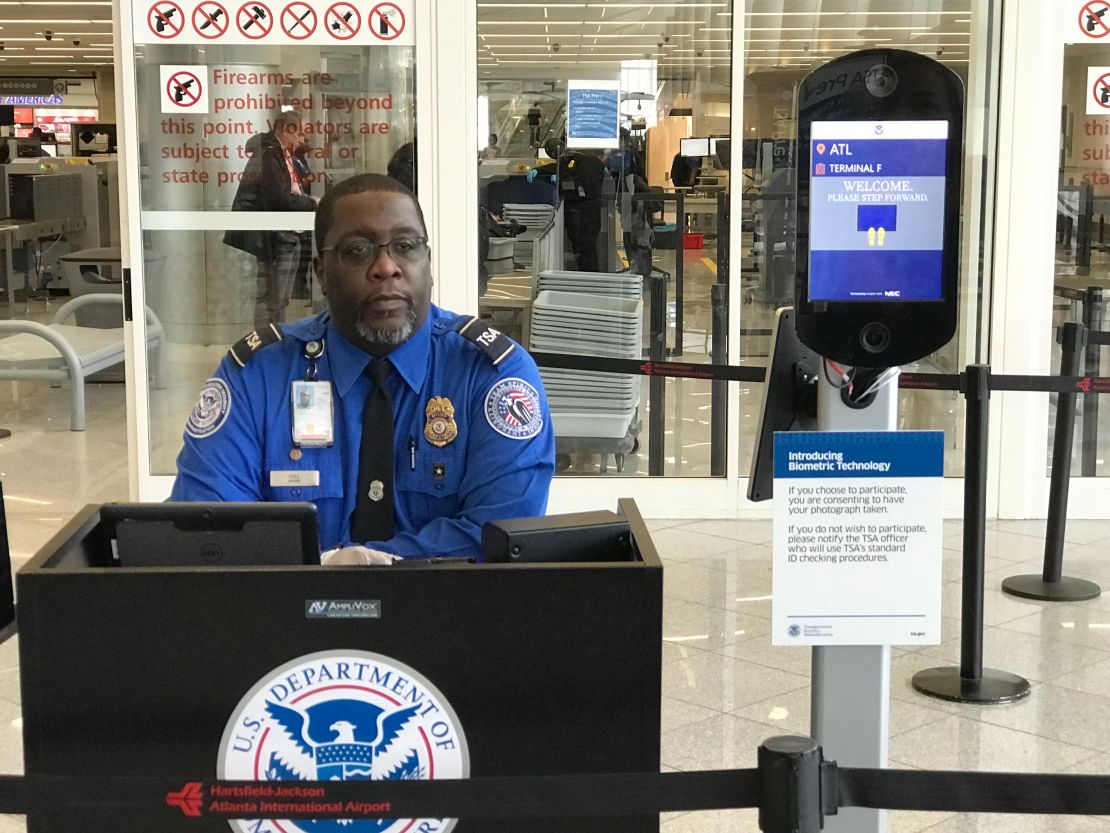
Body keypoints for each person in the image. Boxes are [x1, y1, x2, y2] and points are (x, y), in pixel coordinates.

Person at [172, 173, 556, 561]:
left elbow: (502, 535)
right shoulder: (257, 376)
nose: (386, 267)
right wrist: (325, 571)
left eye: (406, 246)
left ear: (428, 261)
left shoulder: (490, 376)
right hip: (290, 613)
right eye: (358, 250)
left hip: (446, 612)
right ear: (321, 272)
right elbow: (209, 530)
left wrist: (365, 567)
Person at [224, 111, 318, 329]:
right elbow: (279, 199)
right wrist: (312, 203)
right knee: (272, 300)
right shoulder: (269, 155)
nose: (302, 140)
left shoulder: (284, 155)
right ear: (286, 129)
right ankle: (268, 347)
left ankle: (274, 343)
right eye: (300, 134)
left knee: (280, 298)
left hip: (287, 233)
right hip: (276, 235)